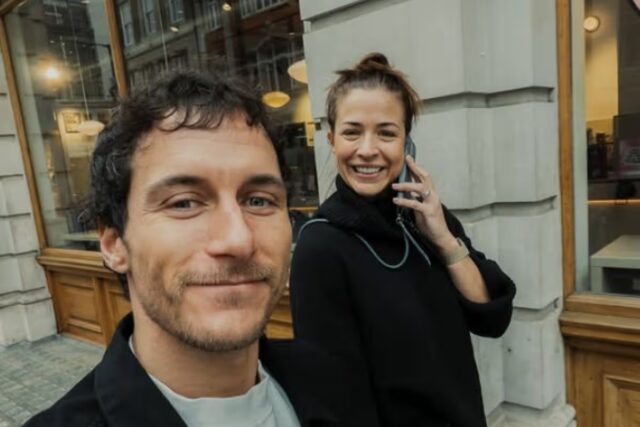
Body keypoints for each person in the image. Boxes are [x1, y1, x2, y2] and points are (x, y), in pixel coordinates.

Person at [25, 71, 377, 427]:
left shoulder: (335, 383)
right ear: (115, 243)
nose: (238, 240)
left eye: (258, 200)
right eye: (183, 203)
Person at [289, 53, 517, 427]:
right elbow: (337, 402)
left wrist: (443, 238)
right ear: (331, 140)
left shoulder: (427, 217)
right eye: (352, 132)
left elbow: (493, 319)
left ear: (406, 143)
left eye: (386, 132)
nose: (367, 149)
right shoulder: (321, 246)